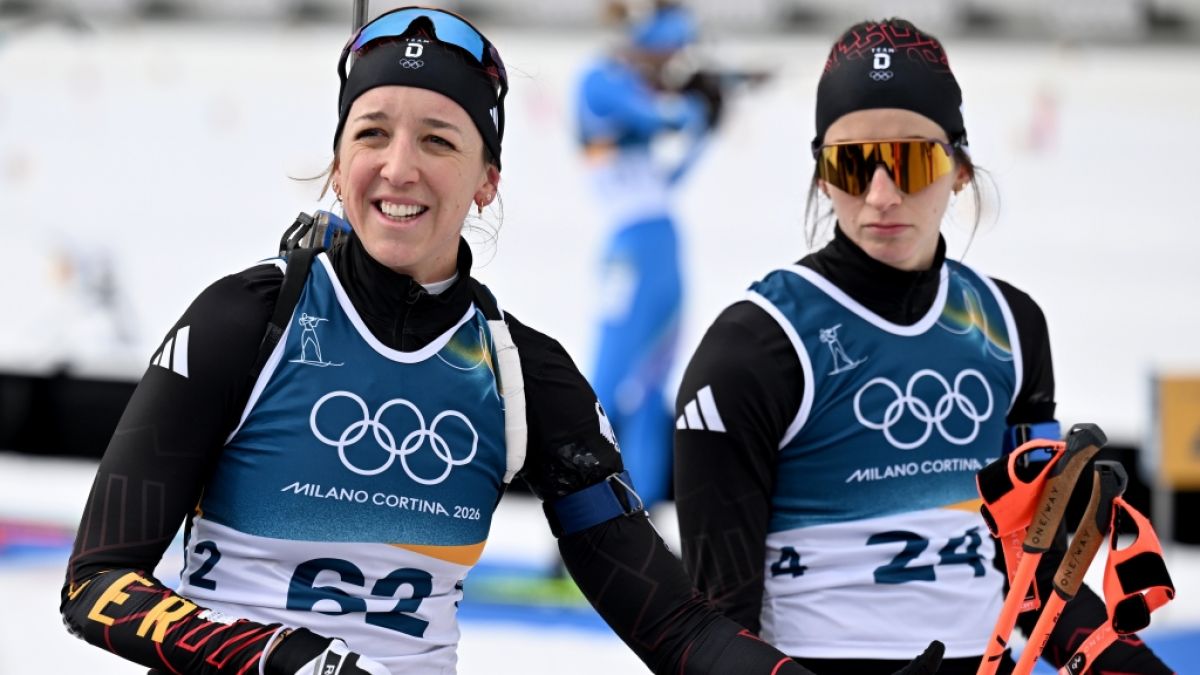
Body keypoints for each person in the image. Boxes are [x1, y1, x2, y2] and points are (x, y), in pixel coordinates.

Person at [57, 7, 943, 675]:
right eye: (371, 133)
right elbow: (96, 584)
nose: (398, 167)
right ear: (337, 162)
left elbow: (676, 626)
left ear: (486, 180)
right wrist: (283, 658)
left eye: (438, 140)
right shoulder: (246, 321)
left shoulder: (522, 374)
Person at [672, 17, 1176, 675]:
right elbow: (715, 631)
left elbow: (1032, 572)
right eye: (852, 165)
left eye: (912, 160)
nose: (882, 194)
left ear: (960, 169)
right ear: (823, 176)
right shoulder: (753, 346)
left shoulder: (1009, 326)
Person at [575, 1, 712, 510]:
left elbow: (665, 181)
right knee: (605, 388)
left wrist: (708, 127)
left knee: (653, 390)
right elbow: (659, 116)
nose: (672, 60)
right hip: (631, 249)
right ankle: (581, 517)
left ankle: (643, 521)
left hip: (662, 243)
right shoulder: (600, 79)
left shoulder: (634, 88)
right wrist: (696, 108)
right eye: (668, 49)